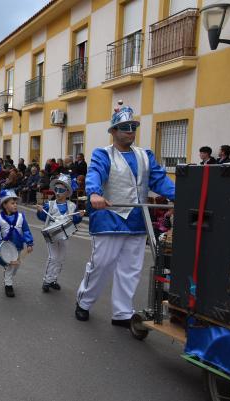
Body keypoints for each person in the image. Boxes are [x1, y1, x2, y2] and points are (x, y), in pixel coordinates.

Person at [75, 103, 175, 326]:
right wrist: (93, 194)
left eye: (133, 127)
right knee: (100, 264)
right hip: (109, 217)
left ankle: (122, 312)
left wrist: (180, 196)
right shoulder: (103, 154)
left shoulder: (145, 155)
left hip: (138, 220)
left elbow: (160, 180)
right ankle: (84, 302)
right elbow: (95, 174)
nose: (130, 131)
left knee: (130, 269)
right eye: (124, 127)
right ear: (113, 131)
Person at [36, 174, 84, 292]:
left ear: (67, 192)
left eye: (61, 190)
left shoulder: (72, 206)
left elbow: (74, 220)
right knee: (53, 257)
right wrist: (40, 212)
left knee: (61, 258)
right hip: (51, 233)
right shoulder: (50, 204)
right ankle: (47, 281)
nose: (57, 192)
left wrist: (79, 216)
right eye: (56, 189)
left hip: (65, 234)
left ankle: (53, 279)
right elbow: (43, 217)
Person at [0, 189, 34, 297]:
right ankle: (8, 285)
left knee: (16, 267)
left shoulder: (21, 217)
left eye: (16, 203)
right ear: (4, 204)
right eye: (12, 203)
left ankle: (9, 277)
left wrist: (29, 243)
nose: (15, 205)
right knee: (10, 267)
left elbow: (26, 230)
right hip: (6, 248)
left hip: (18, 247)